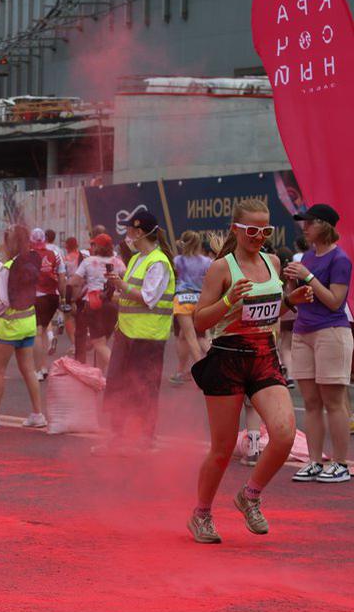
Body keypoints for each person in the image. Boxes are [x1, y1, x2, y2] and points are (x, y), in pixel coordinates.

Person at [188, 199, 300, 543]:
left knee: (283, 434)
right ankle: (201, 514)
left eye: (265, 230)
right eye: (252, 230)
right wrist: (227, 302)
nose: (259, 237)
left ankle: (249, 495)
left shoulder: (273, 261)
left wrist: (294, 302)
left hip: (264, 355)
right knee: (222, 451)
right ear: (235, 230)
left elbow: (270, 310)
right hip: (228, 358)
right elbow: (199, 321)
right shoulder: (222, 268)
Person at [284, 203, 351, 483]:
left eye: (309, 222)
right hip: (304, 331)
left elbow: (335, 301)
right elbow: (300, 298)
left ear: (324, 225)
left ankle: (340, 463)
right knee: (311, 401)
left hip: (331, 331)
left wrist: (306, 276)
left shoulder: (340, 260)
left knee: (333, 401)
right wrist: (291, 284)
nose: (304, 227)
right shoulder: (307, 257)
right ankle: (314, 460)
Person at [99, 211, 174, 453]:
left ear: (139, 232)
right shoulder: (137, 259)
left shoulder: (158, 262)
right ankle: (120, 436)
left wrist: (122, 285)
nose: (127, 234)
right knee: (118, 385)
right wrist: (117, 287)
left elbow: (148, 297)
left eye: (130, 229)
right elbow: (133, 294)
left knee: (144, 388)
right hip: (128, 333)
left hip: (148, 336)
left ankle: (145, 439)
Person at [0, 225, 47, 429]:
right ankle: (38, 413)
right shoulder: (31, 262)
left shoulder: (8, 268)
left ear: (10, 243)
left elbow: (4, 300)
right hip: (29, 322)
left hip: (10, 325)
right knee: (28, 369)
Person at [70, 232, 122, 369]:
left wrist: (70, 296)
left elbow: (74, 282)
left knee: (99, 344)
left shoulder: (88, 261)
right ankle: (100, 377)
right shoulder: (117, 261)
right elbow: (126, 279)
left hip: (94, 304)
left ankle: (118, 372)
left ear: (97, 246)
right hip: (113, 305)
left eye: (94, 244)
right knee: (103, 343)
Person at [170, 230, 213, 385]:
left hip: (182, 299)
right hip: (199, 299)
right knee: (189, 335)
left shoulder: (177, 260)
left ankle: (202, 373)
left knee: (191, 337)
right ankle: (181, 371)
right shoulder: (207, 261)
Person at [30, 228, 61, 378]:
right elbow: (62, 276)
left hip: (36, 297)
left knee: (36, 332)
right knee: (42, 330)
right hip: (52, 297)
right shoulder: (54, 253)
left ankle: (37, 371)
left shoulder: (27, 255)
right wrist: (65, 298)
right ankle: (44, 367)